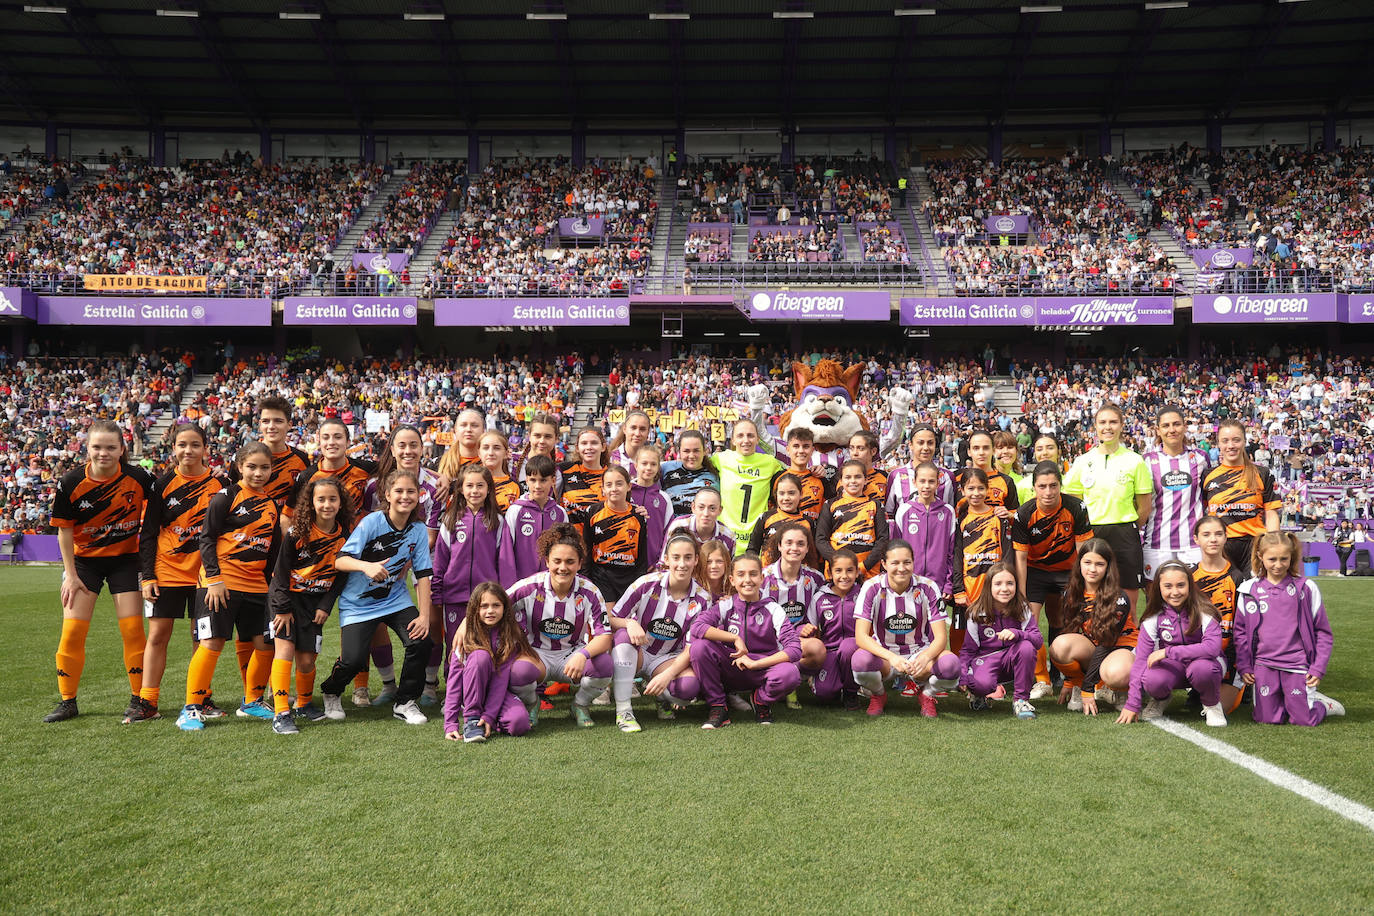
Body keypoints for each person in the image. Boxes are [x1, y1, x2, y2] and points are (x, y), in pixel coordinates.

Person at [44, 419, 154, 723]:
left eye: (110, 447)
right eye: (97, 447)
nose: (103, 453)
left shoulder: (140, 478)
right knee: (73, 632)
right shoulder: (70, 482)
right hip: (84, 564)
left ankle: (138, 699)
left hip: (125, 561)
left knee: (132, 630)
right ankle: (68, 701)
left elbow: (159, 515)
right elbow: (64, 532)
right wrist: (71, 575)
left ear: (122, 449)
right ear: (87, 448)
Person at [175, 443, 281, 730]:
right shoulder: (226, 497)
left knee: (265, 644)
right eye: (252, 467)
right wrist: (215, 580)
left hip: (257, 587)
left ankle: (252, 702)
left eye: (264, 467)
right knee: (212, 643)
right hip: (220, 584)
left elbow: (271, 552)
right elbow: (206, 539)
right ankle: (191, 708)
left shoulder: (272, 505)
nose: (258, 473)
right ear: (239, 466)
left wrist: (273, 588)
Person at [318, 470, 434, 725]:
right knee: (353, 660)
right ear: (388, 495)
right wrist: (366, 566)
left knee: (421, 640)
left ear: (419, 495)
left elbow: (424, 574)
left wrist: (424, 615)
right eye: (399, 491)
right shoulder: (371, 522)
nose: (405, 496)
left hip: (395, 600)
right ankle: (331, 691)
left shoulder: (417, 529)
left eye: (411, 491)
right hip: (358, 604)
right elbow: (340, 560)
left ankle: (405, 702)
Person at [133, 423, 225, 724]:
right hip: (167, 572)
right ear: (173, 448)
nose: (188, 450)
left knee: (202, 638)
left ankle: (202, 697)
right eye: (182, 444)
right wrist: (147, 576)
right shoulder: (161, 485)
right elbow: (147, 534)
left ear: (205, 449)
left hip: (204, 576)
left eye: (195, 444)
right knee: (158, 635)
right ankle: (148, 701)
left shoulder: (220, 484)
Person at [265, 477, 353, 734]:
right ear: (311, 503)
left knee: (307, 660)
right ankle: (281, 712)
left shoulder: (344, 536)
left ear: (340, 503)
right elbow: (279, 573)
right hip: (287, 600)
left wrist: (326, 605)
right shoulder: (297, 533)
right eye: (321, 499)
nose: (327, 504)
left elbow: (341, 576)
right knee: (285, 651)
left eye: (332, 499)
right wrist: (281, 608)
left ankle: (303, 704)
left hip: (315, 604)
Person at [506, 524, 614, 729]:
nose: (562, 567)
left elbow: (605, 635)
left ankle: (580, 705)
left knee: (605, 665)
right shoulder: (528, 586)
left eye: (570, 561)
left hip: (572, 655)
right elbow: (493, 600)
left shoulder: (590, 591)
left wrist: (583, 655)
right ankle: (532, 703)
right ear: (547, 561)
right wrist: (466, 623)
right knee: (517, 672)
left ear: (580, 563)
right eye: (557, 561)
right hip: (536, 655)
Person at [1233, 531, 1344, 725]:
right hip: (1264, 664)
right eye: (1272, 559)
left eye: (1284, 559)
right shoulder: (1248, 590)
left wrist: (1318, 668)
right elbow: (1240, 633)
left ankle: (1321, 705)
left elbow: (1323, 632)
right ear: (1260, 556)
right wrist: (1244, 665)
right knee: (1266, 719)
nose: (1278, 564)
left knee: (1303, 720)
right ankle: (1290, 702)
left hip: (1297, 664)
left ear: (1292, 557)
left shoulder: (1306, 588)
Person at [608, 534, 712, 732]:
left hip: (666, 659)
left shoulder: (703, 599)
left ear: (696, 560)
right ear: (666, 559)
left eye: (688, 557)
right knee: (622, 636)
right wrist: (629, 623)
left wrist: (668, 675)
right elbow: (611, 619)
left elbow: (692, 648)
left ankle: (661, 698)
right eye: (676, 557)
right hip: (637, 652)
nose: (682, 564)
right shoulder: (645, 584)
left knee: (689, 689)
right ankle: (624, 711)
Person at [689, 552, 803, 728]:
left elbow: (795, 649)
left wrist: (756, 664)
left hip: (762, 668)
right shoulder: (726, 605)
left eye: (753, 574)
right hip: (732, 666)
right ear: (732, 580)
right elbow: (697, 627)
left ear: (762, 578)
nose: (747, 579)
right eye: (741, 575)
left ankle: (761, 700)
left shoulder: (773, 609)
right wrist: (734, 638)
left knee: (791, 674)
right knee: (699, 647)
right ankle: (718, 706)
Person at [1011, 461, 1093, 700]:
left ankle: (1071, 676)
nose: (1048, 492)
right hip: (1035, 571)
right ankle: (1042, 680)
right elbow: (1021, 556)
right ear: (1034, 487)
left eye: (1053, 486)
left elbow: (1084, 551)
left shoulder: (1076, 507)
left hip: (1069, 571)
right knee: (1029, 621)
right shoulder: (1024, 514)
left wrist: (1083, 587)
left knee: (1068, 620)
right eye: (1042, 486)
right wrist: (1022, 594)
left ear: (1061, 485)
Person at [850, 540, 960, 717]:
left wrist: (925, 657)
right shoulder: (871, 587)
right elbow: (861, 637)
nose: (901, 568)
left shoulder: (929, 587)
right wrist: (892, 658)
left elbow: (941, 637)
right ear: (884, 564)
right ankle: (878, 695)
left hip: (919, 653)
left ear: (913, 562)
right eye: (895, 563)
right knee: (860, 662)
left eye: (907, 562)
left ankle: (927, 695)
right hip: (885, 655)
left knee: (951, 665)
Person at [1116, 560, 1226, 727]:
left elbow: (1212, 649)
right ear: (1158, 588)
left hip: (1206, 665)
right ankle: (1161, 699)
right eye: (1168, 586)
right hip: (1173, 668)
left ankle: (1212, 705)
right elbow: (1140, 662)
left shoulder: (1205, 611)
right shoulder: (1153, 618)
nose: (1175, 592)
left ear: (1190, 585)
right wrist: (1132, 704)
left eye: (1181, 585)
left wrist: (1169, 652)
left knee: (1202, 669)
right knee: (1152, 678)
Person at [1063, 404, 1152, 608]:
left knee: (1128, 592)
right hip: (1092, 533)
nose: (1108, 427)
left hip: (1125, 533)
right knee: (1092, 591)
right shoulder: (1082, 461)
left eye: (1113, 422)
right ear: (1095, 426)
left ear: (1121, 425)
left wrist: (1128, 526)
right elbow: (1075, 505)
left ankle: (1129, 636)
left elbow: (1144, 507)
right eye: (1102, 422)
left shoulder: (1135, 461)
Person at [432, 464, 516, 659]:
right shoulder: (450, 520)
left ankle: (484, 681)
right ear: (461, 488)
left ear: (488, 489)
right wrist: (437, 593)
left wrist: (504, 594)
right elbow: (440, 560)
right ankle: (455, 684)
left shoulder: (497, 521)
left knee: (485, 644)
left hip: (487, 600)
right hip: (455, 596)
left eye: (480, 486)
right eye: (469, 486)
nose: (475, 491)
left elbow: (504, 561)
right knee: (456, 644)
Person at [1048, 539, 1137, 716]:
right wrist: (1070, 681)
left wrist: (1088, 691)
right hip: (1096, 648)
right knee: (1059, 645)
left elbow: (1107, 643)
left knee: (1115, 673)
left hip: (1122, 648)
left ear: (1108, 567)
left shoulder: (1119, 597)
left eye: (1099, 564)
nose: (1092, 569)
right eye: (1087, 562)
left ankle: (1118, 689)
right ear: (1079, 564)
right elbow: (1071, 631)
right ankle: (1082, 683)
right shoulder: (1071, 593)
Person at [443, 583, 533, 743]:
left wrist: (490, 715)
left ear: (505, 608)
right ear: (475, 609)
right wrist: (450, 724)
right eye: (484, 606)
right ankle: (472, 719)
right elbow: (454, 681)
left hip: (497, 693)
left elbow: (501, 680)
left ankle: (488, 720)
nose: (490, 611)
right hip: (471, 691)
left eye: (496, 605)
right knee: (480, 656)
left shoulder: (509, 635)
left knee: (520, 724)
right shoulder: (466, 636)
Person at [957, 561, 1042, 719]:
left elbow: (1037, 640)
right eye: (998, 584)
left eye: (1010, 583)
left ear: (1016, 585)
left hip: (1012, 659)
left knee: (1026, 647)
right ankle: (979, 695)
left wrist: (1017, 633)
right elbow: (968, 650)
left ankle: (1021, 701)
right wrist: (963, 674)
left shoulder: (1023, 608)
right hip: (986, 660)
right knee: (979, 684)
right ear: (989, 586)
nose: (1004, 589)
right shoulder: (976, 612)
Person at [1202, 418, 1280, 574]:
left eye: (1236, 440)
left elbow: (1271, 515)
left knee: (1253, 597)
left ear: (1244, 441)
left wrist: (1273, 547)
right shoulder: (1207, 476)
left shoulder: (1263, 474)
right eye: (1225, 441)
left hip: (1254, 546)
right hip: (1220, 547)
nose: (1230, 445)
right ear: (1218, 444)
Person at [761, 521, 827, 706]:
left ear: (807, 548)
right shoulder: (763, 578)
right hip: (768, 642)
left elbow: (821, 614)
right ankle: (775, 682)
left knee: (817, 649)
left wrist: (811, 629)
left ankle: (791, 681)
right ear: (779, 546)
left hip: (798, 644)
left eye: (800, 544)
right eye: (788, 543)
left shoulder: (815, 579)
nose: (794, 548)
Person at [1140, 407, 1209, 580]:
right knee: (1155, 602)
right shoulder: (1146, 461)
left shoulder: (1200, 458)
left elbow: (1207, 496)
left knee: (1196, 600)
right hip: (1157, 543)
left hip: (1193, 544)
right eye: (1166, 425)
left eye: (1177, 424)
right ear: (1158, 430)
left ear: (1185, 426)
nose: (1172, 429)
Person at [1191, 515, 1246, 715]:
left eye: (1218, 534)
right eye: (1206, 534)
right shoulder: (1189, 577)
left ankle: (1238, 684)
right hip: (1196, 652)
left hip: (1228, 654)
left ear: (1225, 537)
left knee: (1218, 709)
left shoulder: (1238, 577)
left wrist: (1238, 661)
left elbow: (1243, 627)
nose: (1213, 539)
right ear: (1196, 539)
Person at [708, 419, 784, 554]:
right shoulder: (721, 458)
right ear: (732, 440)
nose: (746, 440)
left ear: (757, 439)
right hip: (725, 537)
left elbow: (794, 473)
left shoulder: (770, 463)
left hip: (756, 539)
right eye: (740, 435)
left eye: (750, 435)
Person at [582, 464, 650, 603]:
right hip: (601, 576)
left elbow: (641, 556)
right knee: (607, 619)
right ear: (603, 489)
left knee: (625, 619)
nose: (614, 488)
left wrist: (639, 583)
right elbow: (586, 549)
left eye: (619, 484)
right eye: (609, 484)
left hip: (629, 577)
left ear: (629, 486)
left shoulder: (638, 516)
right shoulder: (593, 512)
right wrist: (586, 579)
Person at [806, 548, 861, 708]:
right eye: (838, 571)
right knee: (825, 693)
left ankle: (851, 692)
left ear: (857, 572)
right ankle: (833, 685)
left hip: (855, 649)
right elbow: (812, 629)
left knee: (847, 648)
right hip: (829, 650)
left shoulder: (863, 594)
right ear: (829, 572)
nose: (844, 576)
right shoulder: (819, 597)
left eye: (850, 570)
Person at [816, 460, 889, 580]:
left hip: (868, 574)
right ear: (841, 481)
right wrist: (839, 564)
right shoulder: (830, 504)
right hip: (837, 573)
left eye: (858, 477)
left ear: (865, 480)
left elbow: (883, 540)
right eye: (848, 477)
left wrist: (864, 566)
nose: (853, 481)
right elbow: (821, 539)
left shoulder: (876, 505)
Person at [952, 468, 1010, 609]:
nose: (976, 493)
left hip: (995, 587)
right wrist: (958, 589)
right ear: (963, 491)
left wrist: (1005, 583)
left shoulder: (999, 517)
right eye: (971, 488)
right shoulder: (961, 519)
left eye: (981, 488)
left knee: (995, 629)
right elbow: (957, 556)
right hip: (969, 588)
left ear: (987, 489)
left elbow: (1007, 555)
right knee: (966, 630)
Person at [504, 454, 568, 582]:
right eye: (533, 480)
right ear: (526, 480)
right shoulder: (515, 511)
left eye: (543, 480)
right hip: (520, 584)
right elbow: (506, 551)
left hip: (550, 584)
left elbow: (565, 550)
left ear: (553, 480)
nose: (538, 486)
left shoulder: (560, 513)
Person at [886, 424, 956, 513]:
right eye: (920, 443)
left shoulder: (948, 476)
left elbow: (951, 513)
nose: (926, 448)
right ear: (911, 445)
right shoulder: (896, 476)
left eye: (930, 443)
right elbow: (889, 513)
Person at [955, 430, 1020, 520]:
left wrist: (1008, 514)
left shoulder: (1006, 481)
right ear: (969, 452)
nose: (981, 452)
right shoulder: (956, 478)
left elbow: (1016, 515)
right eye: (976, 448)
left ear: (993, 450)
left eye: (986, 448)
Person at [748, 472, 815, 559]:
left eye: (791, 493)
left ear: (801, 494)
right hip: (768, 571)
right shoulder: (766, 517)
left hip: (798, 571)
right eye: (781, 493)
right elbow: (752, 549)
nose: (786, 498)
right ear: (776, 495)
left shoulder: (808, 522)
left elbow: (812, 555)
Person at [775, 427, 830, 522]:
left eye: (806, 446)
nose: (801, 451)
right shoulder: (778, 478)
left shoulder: (820, 479)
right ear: (788, 449)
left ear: (812, 450)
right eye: (796, 446)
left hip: (811, 535)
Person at [659, 430, 719, 517]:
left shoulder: (715, 474)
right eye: (686, 451)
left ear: (705, 451)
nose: (691, 456)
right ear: (679, 451)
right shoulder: (666, 468)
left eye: (696, 451)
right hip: (672, 529)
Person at [560, 426, 608, 533]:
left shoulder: (612, 476)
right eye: (584, 443)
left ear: (603, 447)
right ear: (577, 448)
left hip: (602, 544)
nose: (589, 447)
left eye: (594, 443)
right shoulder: (564, 471)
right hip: (572, 544)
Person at [629, 444, 673, 562]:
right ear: (636, 465)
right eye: (644, 463)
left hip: (653, 564)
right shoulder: (625, 492)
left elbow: (668, 533)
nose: (648, 468)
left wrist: (661, 561)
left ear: (658, 467)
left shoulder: (664, 499)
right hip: (625, 563)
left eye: (653, 464)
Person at [664, 487, 736, 557]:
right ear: (693, 507)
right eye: (701, 507)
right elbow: (664, 563)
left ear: (720, 510)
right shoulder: (678, 526)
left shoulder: (728, 537)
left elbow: (728, 568)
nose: (706, 514)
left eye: (712, 508)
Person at [514, 411, 564, 494]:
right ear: (529, 436)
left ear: (556, 439)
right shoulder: (512, 461)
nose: (542, 441)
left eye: (548, 436)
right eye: (537, 435)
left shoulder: (556, 474)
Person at [478, 430, 521, 512]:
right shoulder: (469, 483)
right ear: (479, 453)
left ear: (506, 453)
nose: (491, 453)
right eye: (486, 448)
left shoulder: (515, 488)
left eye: (496, 448)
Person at [846, 430, 888, 501]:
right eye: (852, 448)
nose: (855, 453)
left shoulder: (884, 477)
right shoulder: (840, 477)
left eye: (860, 448)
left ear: (873, 451)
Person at [607, 409, 652, 473]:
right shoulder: (611, 459)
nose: (637, 433)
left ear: (648, 432)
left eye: (642, 429)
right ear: (624, 429)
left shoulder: (653, 461)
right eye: (633, 428)